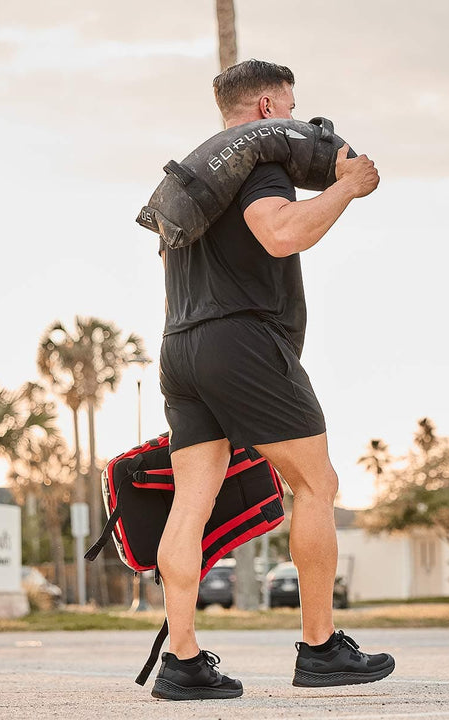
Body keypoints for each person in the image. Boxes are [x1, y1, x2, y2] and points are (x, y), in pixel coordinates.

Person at [153, 59, 395, 701]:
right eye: (289, 105)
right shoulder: (260, 164)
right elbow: (280, 234)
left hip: (180, 348)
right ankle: (320, 648)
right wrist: (345, 188)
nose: (295, 117)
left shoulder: (198, 180)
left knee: (191, 501)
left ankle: (182, 661)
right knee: (315, 484)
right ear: (265, 108)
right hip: (242, 342)